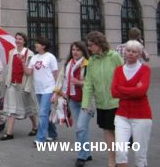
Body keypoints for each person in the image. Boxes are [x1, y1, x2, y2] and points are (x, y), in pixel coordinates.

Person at [82, 31, 123, 167]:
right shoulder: (92, 60)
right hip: (101, 103)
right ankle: (112, 160)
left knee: (118, 131)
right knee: (107, 130)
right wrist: (85, 103)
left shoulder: (114, 57)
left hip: (116, 101)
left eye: (91, 45)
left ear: (99, 44)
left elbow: (124, 75)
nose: (89, 48)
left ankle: (120, 158)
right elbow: (88, 83)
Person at [111, 40, 152, 167]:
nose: (130, 54)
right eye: (128, 51)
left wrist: (122, 88)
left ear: (139, 55)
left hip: (141, 116)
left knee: (140, 154)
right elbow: (114, 92)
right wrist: (134, 89)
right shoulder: (118, 70)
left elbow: (141, 91)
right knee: (120, 151)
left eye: (134, 52)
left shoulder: (145, 70)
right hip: (122, 115)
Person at [52, 41, 92, 167]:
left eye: (78, 50)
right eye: (73, 49)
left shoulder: (88, 64)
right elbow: (61, 79)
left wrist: (79, 83)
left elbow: (93, 83)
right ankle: (86, 153)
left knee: (80, 127)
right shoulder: (68, 64)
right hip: (73, 100)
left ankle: (81, 157)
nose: (75, 52)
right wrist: (57, 93)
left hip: (87, 102)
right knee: (81, 128)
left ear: (83, 51)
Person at [0, 32, 38, 141]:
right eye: (16, 38)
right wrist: (7, 82)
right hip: (12, 83)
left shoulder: (29, 54)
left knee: (28, 106)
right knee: (11, 109)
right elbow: (9, 68)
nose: (17, 41)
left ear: (24, 41)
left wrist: (28, 87)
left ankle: (35, 126)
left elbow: (30, 73)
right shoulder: (12, 52)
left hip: (24, 84)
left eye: (20, 39)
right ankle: (9, 133)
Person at [24, 36, 58, 145]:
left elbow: (55, 74)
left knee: (42, 113)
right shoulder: (34, 58)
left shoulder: (50, 57)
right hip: (38, 89)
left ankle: (40, 138)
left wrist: (57, 91)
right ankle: (52, 134)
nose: (35, 45)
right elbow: (29, 72)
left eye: (37, 43)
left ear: (43, 46)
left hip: (49, 88)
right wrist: (22, 63)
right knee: (46, 112)